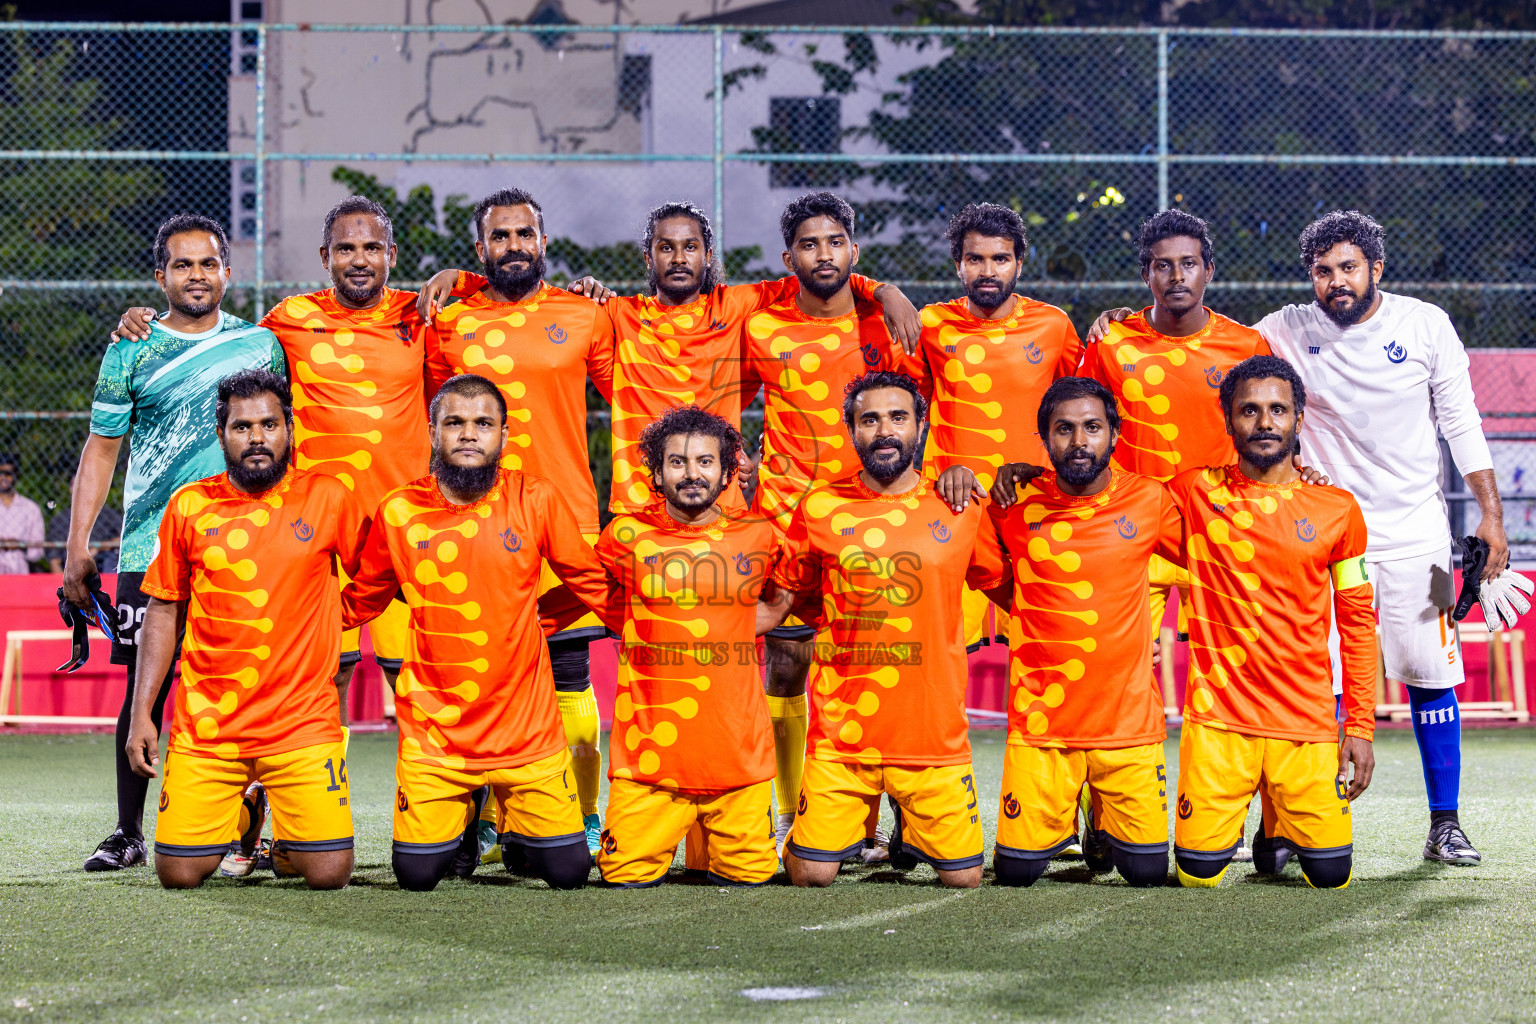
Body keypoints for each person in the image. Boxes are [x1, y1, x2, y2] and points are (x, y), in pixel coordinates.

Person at [109, 196, 479, 725]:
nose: (359, 259)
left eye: (372, 247)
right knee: (328, 677)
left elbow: (500, 287)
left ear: (391, 254)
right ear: (325, 256)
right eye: (346, 248)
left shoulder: (419, 313)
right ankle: (314, 800)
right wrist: (147, 321)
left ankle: (464, 806)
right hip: (318, 537)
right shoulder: (288, 320)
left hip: (406, 527)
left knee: (428, 679)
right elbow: (222, 341)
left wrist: (454, 275)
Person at [1253, 211, 1530, 867]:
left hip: (1421, 541)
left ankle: (1445, 825)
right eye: (1321, 271)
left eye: (1347, 267)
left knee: (1432, 675)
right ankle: (1298, 825)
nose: (1335, 281)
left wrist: (1492, 518)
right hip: (1322, 541)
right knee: (1314, 682)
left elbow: (1462, 425)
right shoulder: (1284, 330)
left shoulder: (1425, 324)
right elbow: (1203, 345)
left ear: (1376, 268)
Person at [71, 214, 287, 872]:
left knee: (245, 687)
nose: (197, 275)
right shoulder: (130, 348)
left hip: (241, 547)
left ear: (228, 271)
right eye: (183, 264)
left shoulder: (261, 347)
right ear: (160, 275)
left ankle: (247, 828)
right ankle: (128, 830)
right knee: (145, 688)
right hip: (150, 545)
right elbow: (102, 451)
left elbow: (280, 446)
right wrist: (80, 541)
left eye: (209, 263)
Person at [341, 373, 609, 892]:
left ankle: (510, 824)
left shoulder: (537, 498)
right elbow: (364, 598)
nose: (469, 434)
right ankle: (466, 816)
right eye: (455, 423)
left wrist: (541, 617)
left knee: (569, 873)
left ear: (504, 436)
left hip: (525, 734)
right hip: (437, 737)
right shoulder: (398, 511)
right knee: (417, 876)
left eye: (483, 423)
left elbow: (591, 582)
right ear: (433, 432)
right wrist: (300, 620)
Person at [423, 188, 616, 853]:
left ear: (543, 240)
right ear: (481, 250)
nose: (514, 246)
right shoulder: (449, 322)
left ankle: (585, 818)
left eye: (524, 235)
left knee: (570, 678)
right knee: (478, 679)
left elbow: (639, 397)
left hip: (567, 524)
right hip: (472, 528)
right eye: (499, 237)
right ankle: (477, 824)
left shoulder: (584, 315)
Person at [760, 371, 1006, 888]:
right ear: (851, 431)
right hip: (844, 733)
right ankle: (821, 827)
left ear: (921, 425)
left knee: (963, 881)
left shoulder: (959, 504)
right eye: (869, 419)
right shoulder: (822, 507)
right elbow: (784, 600)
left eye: (898, 417)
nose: (885, 430)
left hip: (932, 731)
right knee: (809, 875)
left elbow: (1006, 586)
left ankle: (907, 831)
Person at [124, 369, 363, 890]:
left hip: (300, 722)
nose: (256, 437)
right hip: (210, 725)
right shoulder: (189, 506)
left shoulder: (328, 497)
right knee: (179, 875)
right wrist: (143, 712)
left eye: (269, 424)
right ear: (221, 434)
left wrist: (336, 617)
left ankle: (284, 832)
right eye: (242, 426)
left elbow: (377, 574)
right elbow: (163, 611)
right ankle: (244, 812)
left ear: (290, 429)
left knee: (329, 875)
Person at [741, 192, 921, 852]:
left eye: (836, 241)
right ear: (789, 259)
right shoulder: (761, 327)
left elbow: (914, 423)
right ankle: (795, 813)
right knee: (787, 666)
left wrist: (886, 290)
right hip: (788, 522)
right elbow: (721, 404)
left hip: (874, 522)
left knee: (884, 664)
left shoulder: (889, 327)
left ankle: (905, 820)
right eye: (810, 245)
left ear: (854, 250)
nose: (825, 253)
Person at [1168, 355, 1377, 889]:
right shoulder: (1195, 492)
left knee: (1332, 877)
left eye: (1278, 410)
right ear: (1229, 421)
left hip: (1303, 723)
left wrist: (1359, 727)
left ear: (1299, 420)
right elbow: (1106, 490)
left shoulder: (1337, 510)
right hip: (1219, 722)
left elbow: (1356, 623)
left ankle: (1275, 825)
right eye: (1250, 411)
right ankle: (1265, 825)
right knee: (1197, 877)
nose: (1265, 423)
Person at [985, 377, 1181, 888]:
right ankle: (1066, 808)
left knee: (1146, 873)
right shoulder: (1011, 503)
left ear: (1114, 434)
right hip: (1043, 725)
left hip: (1127, 725)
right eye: (1064, 429)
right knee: (1015, 873)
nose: (1079, 442)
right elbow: (988, 575)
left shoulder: (1150, 500)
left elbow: (1216, 552)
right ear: (1044, 439)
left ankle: (1099, 815)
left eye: (1092, 427)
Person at [588, 405, 778, 887]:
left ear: (727, 470)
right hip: (648, 763)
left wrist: (732, 625)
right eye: (677, 462)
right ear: (655, 471)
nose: (692, 474)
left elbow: (789, 597)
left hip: (737, 759)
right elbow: (592, 590)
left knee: (749, 883)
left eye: (705, 462)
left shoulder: (758, 536)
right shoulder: (625, 535)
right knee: (621, 878)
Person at [919, 203, 1082, 646]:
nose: (988, 270)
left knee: (1044, 643)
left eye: (1000, 258)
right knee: (946, 647)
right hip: (951, 508)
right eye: (975, 259)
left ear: (1019, 262)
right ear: (958, 265)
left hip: (1033, 508)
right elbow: (903, 408)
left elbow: (1085, 410)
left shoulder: (1053, 325)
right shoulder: (931, 326)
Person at [46, 476, 121, 574]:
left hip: (104, 567)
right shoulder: (60, 520)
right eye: (75, 485)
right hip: (73, 570)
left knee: (111, 557)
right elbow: (54, 560)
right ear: (70, 489)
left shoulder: (109, 515)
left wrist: (98, 547)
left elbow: (124, 538)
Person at [0, 455, 44, 574]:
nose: (4, 477)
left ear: (15, 476)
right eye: (1, 473)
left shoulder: (30, 508)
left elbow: (38, 551)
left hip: (20, 572)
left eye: (8, 473)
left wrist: (21, 545)